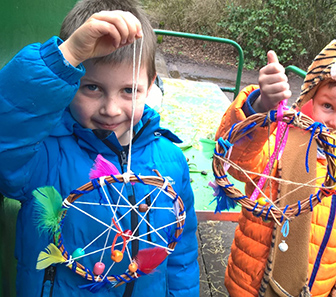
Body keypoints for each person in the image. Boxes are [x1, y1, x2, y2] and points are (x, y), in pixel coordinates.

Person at [0, 0, 199, 296]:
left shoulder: (169, 160)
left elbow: (181, 252)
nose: (111, 109)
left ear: (151, 85)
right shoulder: (42, 155)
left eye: (129, 91)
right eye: (92, 87)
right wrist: (65, 57)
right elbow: (8, 131)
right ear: (70, 83)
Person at [215, 40, 336, 297]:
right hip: (253, 288)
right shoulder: (280, 144)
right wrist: (261, 106)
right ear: (309, 101)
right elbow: (238, 164)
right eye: (327, 106)